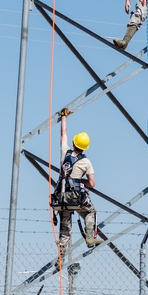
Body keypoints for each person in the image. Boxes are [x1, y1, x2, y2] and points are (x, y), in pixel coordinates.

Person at [51, 109, 103, 263]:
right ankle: (89, 237)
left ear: (74, 143)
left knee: (65, 228)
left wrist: (64, 117)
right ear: (85, 148)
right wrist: (82, 182)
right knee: (90, 212)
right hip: (76, 199)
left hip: (61, 198)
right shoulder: (86, 162)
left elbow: (63, 135)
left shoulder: (64, 153)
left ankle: (61, 256)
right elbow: (92, 184)